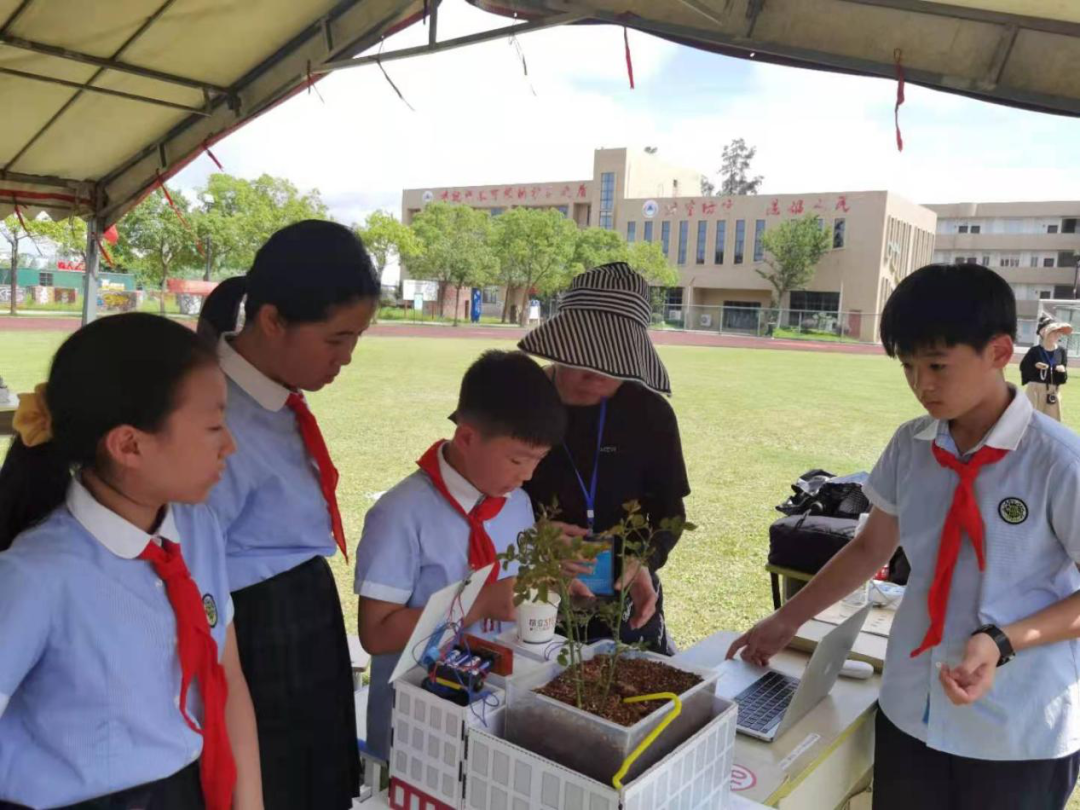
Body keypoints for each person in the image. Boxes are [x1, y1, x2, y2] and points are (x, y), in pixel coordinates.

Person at [729, 264, 1080, 810]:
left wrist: (1004, 640)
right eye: (909, 367)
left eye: (938, 365)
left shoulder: (1059, 463)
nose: (922, 386)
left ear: (1000, 352)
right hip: (910, 707)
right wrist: (786, 619)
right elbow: (872, 546)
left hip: (1017, 728)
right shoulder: (912, 445)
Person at [0, 313, 261, 810]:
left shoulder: (198, 532)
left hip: (188, 790)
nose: (231, 444)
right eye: (212, 426)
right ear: (129, 444)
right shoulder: (36, 576)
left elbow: (226, 674)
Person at [199, 220, 379, 809]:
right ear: (273, 320)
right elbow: (197, 572)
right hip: (251, 631)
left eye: (357, 339)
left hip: (306, 610)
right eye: (334, 340)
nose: (347, 358)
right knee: (275, 782)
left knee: (319, 780)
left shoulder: (274, 396)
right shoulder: (207, 416)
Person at [354, 350, 567, 761]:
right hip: (417, 719)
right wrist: (478, 602)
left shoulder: (516, 502)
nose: (528, 475)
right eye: (517, 459)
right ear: (467, 437)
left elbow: (514, 589)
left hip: (495, 705)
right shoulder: (399, 514)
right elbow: (376, 634)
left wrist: (544, 586)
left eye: (539, 461)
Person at [517, 262, 690, 655]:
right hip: (525, 604)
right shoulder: (515, 401)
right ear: (563, 341)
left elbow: (670, 512)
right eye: (586, 353)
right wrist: (530, 544)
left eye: (612, 359)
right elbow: (467, 507)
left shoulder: (650, 414)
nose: (596, 373)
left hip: (624, 606)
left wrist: (645, 559)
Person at [1019, 313, 1071, 421]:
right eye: (1053, 331)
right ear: (1043, 333)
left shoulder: (1061, 351)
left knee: (1052, 424)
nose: (1057, 334)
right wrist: (1035, 367)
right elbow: (1024, 369)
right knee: (1032, 422)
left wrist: (1061, 371)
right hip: (1035, 391)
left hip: (1053, 392)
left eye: (1058, 332)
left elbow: (1063, 378)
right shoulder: (1034, 351)